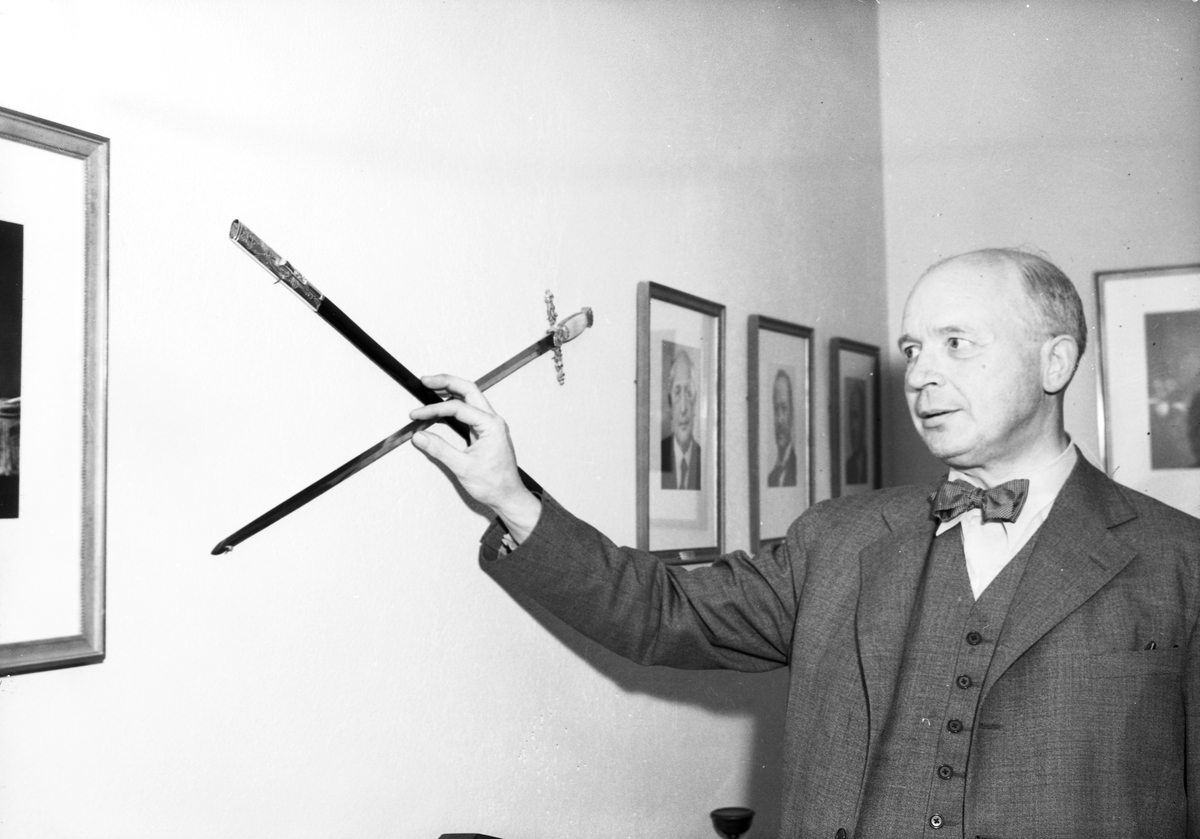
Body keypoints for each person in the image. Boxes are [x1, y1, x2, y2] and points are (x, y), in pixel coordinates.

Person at [409, 248, 1200, 838]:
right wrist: (509, 494)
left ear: (1055, 360)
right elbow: (661, 610)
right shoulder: (841, 540)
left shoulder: (1180, 562)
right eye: (913, 349)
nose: (920, 375)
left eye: (957, 343)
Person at [661, 347, 701, 490]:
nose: (683, 408)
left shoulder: (705, 459)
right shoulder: (659, 456)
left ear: (695, 400)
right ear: (670, 401)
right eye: (677, 393)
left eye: (689, 392)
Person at [767, 369, 797, 487]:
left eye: (784, 409)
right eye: (776, 409)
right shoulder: (771, 477)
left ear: (792, 413)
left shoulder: (797, 469)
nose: (779, 420)